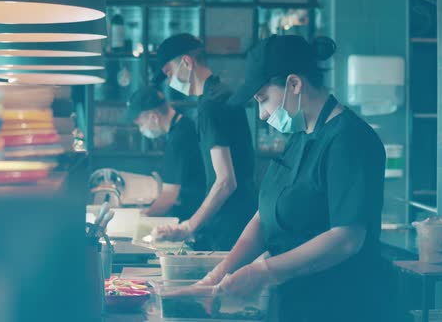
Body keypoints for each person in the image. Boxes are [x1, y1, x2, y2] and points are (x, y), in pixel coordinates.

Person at [197, 35, 386, 322]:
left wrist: (263, 271)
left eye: (263, 100)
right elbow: (264, 216)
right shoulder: (300, 138)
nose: (261, 114)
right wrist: (217, 274)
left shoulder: (349, 140)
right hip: (292, 304)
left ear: (294, 84)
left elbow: (347, 238)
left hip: (338, 306)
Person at [151, 34, 257, 251]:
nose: (170, 81)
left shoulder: (210, 106)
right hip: (243, 214)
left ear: (187, 63)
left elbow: (225, 181)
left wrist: (188, 226)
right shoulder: (222, 93)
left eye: (169, 73)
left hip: (228, 222)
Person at [126, 86, 205, 222]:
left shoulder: (178, 139)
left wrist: (142, 218)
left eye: (140, 124)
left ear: (153, 117)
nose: (141, 129)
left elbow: (169, 196)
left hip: (191, 217)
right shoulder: (186, 125)